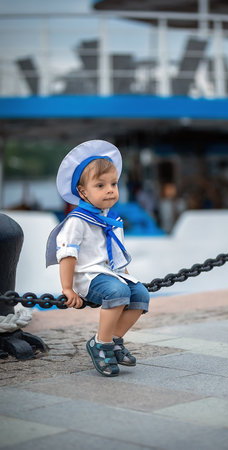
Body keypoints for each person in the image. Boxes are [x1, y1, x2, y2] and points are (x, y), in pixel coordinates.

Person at [46, 140, 150, 377]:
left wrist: (126, 277)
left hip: (109, 275)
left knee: (141, 294)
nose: (110, 190)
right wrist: (67, 288)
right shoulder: (77, 220)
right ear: (83, 192)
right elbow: (68, 254)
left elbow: (116, 254)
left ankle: (114, 340)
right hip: (88, 277)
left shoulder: (112, 219)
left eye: (114, 184)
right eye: (101, 185)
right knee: (117, 292)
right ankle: (100, 345)